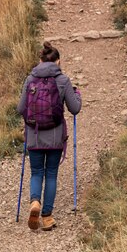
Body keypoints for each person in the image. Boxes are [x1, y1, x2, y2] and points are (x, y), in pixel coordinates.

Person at [17, 42, 81, 231]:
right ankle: (46, 216)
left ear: (40, 60)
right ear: (58, 61)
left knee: (37, 172)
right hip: (55, 136)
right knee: (51, 174)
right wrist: (77, 94)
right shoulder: (63, 80)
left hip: (34, 135)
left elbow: (20, 109)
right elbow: (75, 108)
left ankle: (34, 202)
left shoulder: (30, 79)